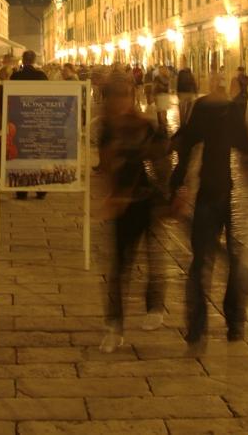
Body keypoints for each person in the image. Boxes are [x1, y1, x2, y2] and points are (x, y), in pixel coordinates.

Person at [170, 73, 248, 349]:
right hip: (226, 194)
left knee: (203, 260)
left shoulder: (203, 108)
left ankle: (199, 325)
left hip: (211, 195)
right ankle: (233, 322)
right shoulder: (229, 110)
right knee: (231, 261)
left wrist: (176, 185)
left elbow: (186, 146)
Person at [98, 76, 168, 353]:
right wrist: (111, 194)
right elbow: (105, 166)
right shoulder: (107, 128)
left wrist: (171, 194)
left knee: (153, 258)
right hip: (122, 206)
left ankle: (155, 306)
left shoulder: (144, 126)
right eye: (116, 97)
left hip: (146, 201)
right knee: (119, 267)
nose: (120, 103)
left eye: (124, 96)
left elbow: (160, 162)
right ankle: (114, 327)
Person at [9, 51, 48, 198]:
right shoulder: (41, 76)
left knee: (21, 154)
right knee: (38, 154)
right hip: (37, 119)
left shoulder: (16, 76)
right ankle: (41, 190)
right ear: (34, 60)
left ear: (23, 60)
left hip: (19, 120)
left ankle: (21, 190)